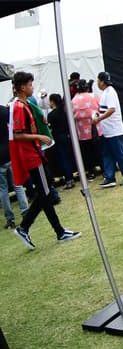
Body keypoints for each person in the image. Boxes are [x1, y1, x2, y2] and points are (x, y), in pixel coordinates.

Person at [8, 72, 80, 249]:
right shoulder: (18, 107)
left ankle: (52, 230)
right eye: (30, 85)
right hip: (31, 155)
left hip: (35, 153)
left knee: (45, 193)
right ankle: (34, 228)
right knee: (45, 193)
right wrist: (39, 136)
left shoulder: (24, 105)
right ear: (23, 87)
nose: (33, 88)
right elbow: (17, 135)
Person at [92, 71, 123, 188]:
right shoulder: (105, 93)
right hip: (107, 131)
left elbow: (111, 109)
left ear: (102, 82)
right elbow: (104, 109)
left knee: (119, 153)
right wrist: (97, 114)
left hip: (114, 129)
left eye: (98, 81)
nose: (97, 83)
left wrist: (99, 118)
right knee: (107, 154)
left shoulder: (110, 92)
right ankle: (110, 177)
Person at [0, 102, 31, 228]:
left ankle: (10, 219)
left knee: (3, 189)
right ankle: (25, 212)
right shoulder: (5, 111)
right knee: (18, 184)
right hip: (9, 151)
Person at [45, 93, 77, 189]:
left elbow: (49, 128)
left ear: (52, 102)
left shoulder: (51, 115)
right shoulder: (64, 112)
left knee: (63, 159)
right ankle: (70, 177)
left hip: (58, 138)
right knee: (68, 158)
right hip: (67, 136)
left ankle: (68, 179)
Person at [71, 79, 101, 181]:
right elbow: (100, 109)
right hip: (96, 128)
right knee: (99, 150)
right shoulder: (94, 96)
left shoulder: (74, 100)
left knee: (87, 153)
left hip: (82, 131)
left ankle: (91, 171)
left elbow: (72, 114)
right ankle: (104, 168)